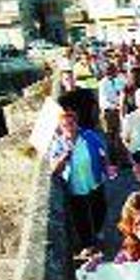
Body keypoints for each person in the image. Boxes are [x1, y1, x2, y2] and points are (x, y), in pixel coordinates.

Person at [49, 110, 117, 257]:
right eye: (65, 125)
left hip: (94, 181)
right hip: (74, 187)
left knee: (100, 208)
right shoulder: (58, 144)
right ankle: (88, 244)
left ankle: (98, 232)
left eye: (71, 123)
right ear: (61, 127)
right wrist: (63, 157)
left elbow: (102, 152)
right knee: (80, 217)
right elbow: (54, 170)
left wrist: (107, 166)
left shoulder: (88, 136)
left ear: (76, 123)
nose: (69, 127)